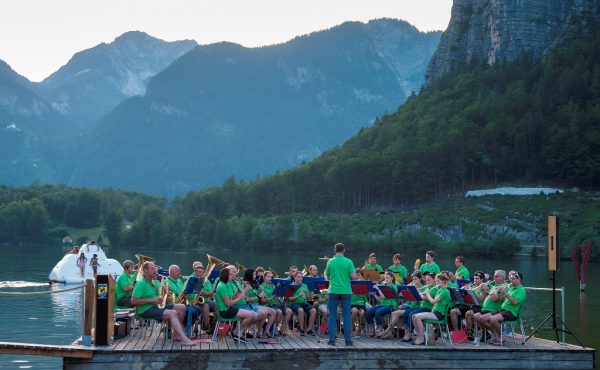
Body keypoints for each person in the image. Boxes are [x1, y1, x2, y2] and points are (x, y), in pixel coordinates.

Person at [131, 261, 195, 346]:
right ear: (145, 270)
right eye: (153, 268)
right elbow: (133, 301)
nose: (155, 270)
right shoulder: (141, 283)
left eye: (155, 268)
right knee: (173, 313)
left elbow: (160, 296)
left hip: (155, 307)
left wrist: (165, 290)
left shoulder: (153, 282)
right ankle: (184, 339)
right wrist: (152, 300)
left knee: (182, 307)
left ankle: (176, 335)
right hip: (145, 310)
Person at [324, 242, 357, 346]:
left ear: (334, 250)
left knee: (332, 315)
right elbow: (354, 277)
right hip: (346, 291)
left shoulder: (330, 261)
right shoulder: (349, 262)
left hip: (333, 290)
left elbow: (328, 276)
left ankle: (332, 340)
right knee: (347, 315)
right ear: (344, 250)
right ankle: (348, 340)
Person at [214, 267, 258, 343]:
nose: (232, 276)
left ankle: (237, 333)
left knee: (253, 314)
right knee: (251, 315)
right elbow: (228, 304)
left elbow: (230, 298)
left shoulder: (224, 284)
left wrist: (237, 293)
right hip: (225, 311)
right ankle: (236, 333)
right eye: (230, 275)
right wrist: (240, 297)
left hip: (228, 309)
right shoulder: (222, 286)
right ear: (226, 276)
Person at [411, 274, 451, 345]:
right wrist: (423, 293)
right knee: (414, 316)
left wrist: (427, 294)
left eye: (438, 281)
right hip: (434, 312)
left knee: (416, 317)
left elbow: (433, 301)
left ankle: (421, 338)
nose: (437, 283)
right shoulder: (440, 290)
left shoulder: (445, 291)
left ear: (444, 281)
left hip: (439, 314)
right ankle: (420, 336)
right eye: (436, 281)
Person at [488, 271, 526, 345]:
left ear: (519, 280)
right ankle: (497, 337)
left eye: (513, 279)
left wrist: (505, 293)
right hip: (503, 310)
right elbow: (501, 298)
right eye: (511, 279)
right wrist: (499, 292)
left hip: (512, 312)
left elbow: (515, 302)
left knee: (493, 319)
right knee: (485, 318)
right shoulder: (511, 287)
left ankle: (500, 338)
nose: (511, 280)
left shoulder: (521, 290)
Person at [474, 269, 507, 341]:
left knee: (481, 318)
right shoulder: (495, 286)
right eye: (494, 276)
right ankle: (492, 333)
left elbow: (495, 299)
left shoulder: (504, 286)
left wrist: (487, 291)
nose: (494, 278)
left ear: (502, 277)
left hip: (495, 309)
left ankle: (497, 334)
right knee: (476, 316)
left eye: (496, 276)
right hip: (486, 309)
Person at [366, 271, 399, 337]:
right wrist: (374, 293)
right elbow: (381, 300)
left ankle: (380, 330)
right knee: (369, 312)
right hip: (383, 305)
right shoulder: (384, 286)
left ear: (392, 278)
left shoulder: (394, 286)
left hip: (391, 306)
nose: (386, 279)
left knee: (378, 312)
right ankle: (372, 330)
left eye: (388, 278)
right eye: (385, 278)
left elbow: (384, 296)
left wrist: (378, 289)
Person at [260, 270, 293, 336]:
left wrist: (279, 293)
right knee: (279, 312)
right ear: (264, 278)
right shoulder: (261, 287)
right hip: (267, 305)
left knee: (289, 311)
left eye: (270, 277)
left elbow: (277, 296)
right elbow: (262, 301)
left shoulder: (273, 286)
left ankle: (281, 329)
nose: (270, 278)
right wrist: (271, 298)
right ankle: (274, 329)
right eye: (268, 277)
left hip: (275, 304)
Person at [288, 271, 317, 336]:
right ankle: (301, 329)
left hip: (304, 302)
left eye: (301, 277)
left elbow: (309, 298)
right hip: (294, 303)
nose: (300, 278)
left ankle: (309, 329)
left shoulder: (304, 285)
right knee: (300, 310)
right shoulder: (291, 286)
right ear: (294, 277)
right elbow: (290, 299)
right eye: (298, 277)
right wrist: (299, 296)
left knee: (313, 310)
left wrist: (306, 293)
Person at [350, 269, 368, 336]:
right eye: (356, 276)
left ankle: (359, 330)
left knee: (362, 312)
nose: (357, 277)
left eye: (359, 275)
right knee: (354, 311)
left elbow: (367, 295)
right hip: (352, 302)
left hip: (360, 302)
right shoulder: (351, 283)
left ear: (362, 277)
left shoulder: (364, 283)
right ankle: (351, 328)